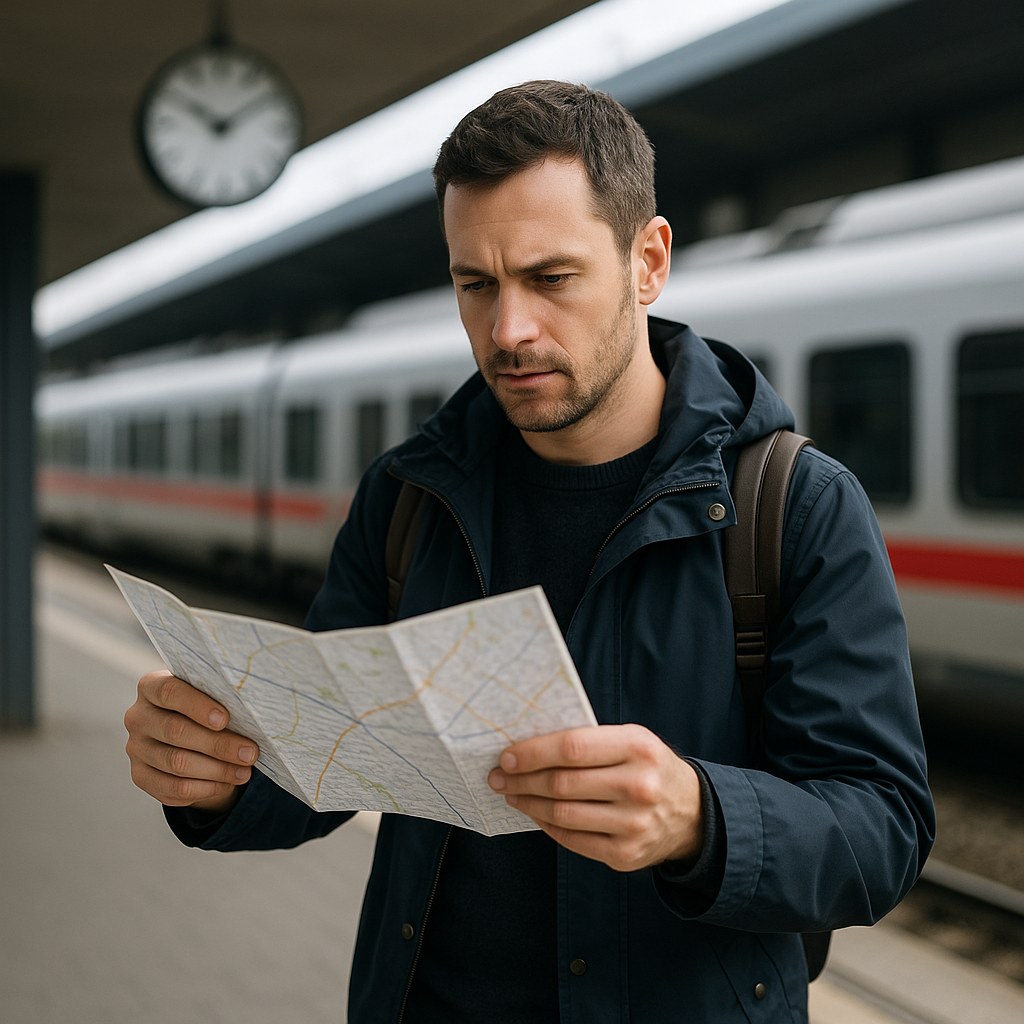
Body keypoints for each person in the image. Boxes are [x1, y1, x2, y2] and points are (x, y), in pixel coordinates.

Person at [123, 80, 935, 1022]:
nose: (508, 330)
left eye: (551, 278)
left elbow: (883, 829)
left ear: (648, 261)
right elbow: (328, 762)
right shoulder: (409, 498)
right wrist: (214, 777)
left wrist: (699, 818)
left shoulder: (794, 508)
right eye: (476, 284)